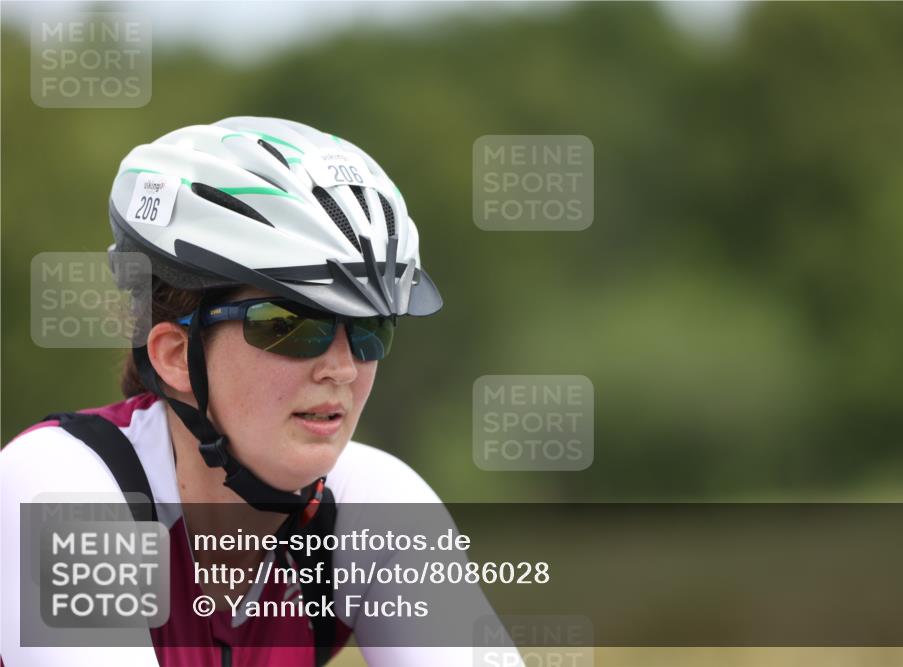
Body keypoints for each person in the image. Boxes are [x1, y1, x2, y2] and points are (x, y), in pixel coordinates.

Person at [1, 117, 520, 666]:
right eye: (290, 325)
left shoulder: (371, 498)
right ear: (176, 357)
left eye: (371, 328)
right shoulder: (60, 487)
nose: (342, 367)